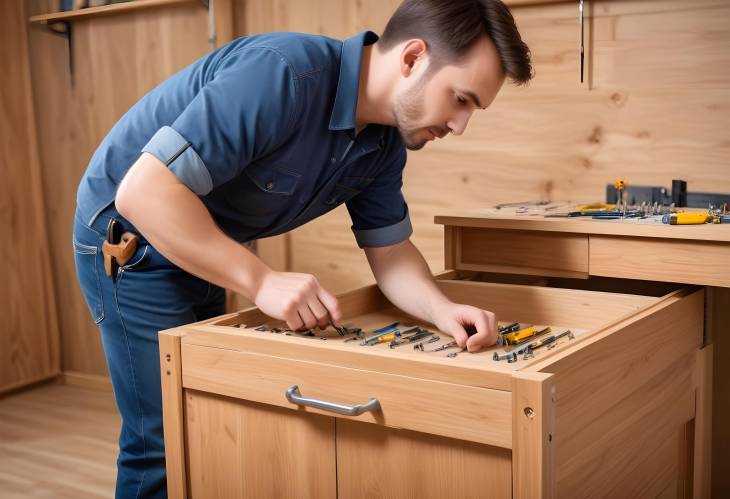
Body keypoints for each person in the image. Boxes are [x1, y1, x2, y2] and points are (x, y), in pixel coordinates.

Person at [72, 0, 532, 496]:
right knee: (160, 443)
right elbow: (143, 193)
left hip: (204, 243)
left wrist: (443, 309)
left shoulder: (383, 145)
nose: (459, 126)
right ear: (413, 58)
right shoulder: (282, 74)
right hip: (130, 240)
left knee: (199, 423)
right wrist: (261, 281)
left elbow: (392, 253)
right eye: (460, 100)